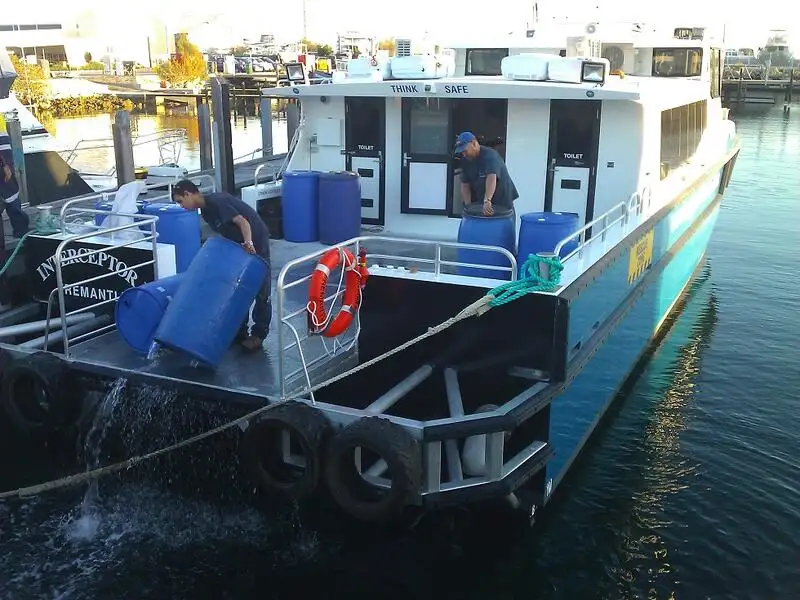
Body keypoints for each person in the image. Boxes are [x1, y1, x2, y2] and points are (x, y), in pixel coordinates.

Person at [171, 180, 272, 352]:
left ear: (188, 194)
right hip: (237, 244)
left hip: (255, 239)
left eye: (180, 201)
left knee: (261, 289)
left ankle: (258, 334)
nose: (181, 206)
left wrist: (249, 242)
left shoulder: (217, 202)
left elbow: (243, 222)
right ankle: (239, 332)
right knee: (238, 287)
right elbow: (224, 232)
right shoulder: (205, 212)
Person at [454, 131, 519, 217]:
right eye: (461, 152)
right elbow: (465, 184)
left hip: (502, 201)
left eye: (465, 151)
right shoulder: (465, 160)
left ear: (474, 143)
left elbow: (491, 178)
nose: (464, 154)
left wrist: (487, 200)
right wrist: (468, 207)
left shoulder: (490, 156)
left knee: (500, 226)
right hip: (482, 201)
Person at [0, 113, 30, 238]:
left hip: (3, 160)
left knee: (10, 195)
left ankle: (21, 229)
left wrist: (5, 164)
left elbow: (3, 144)